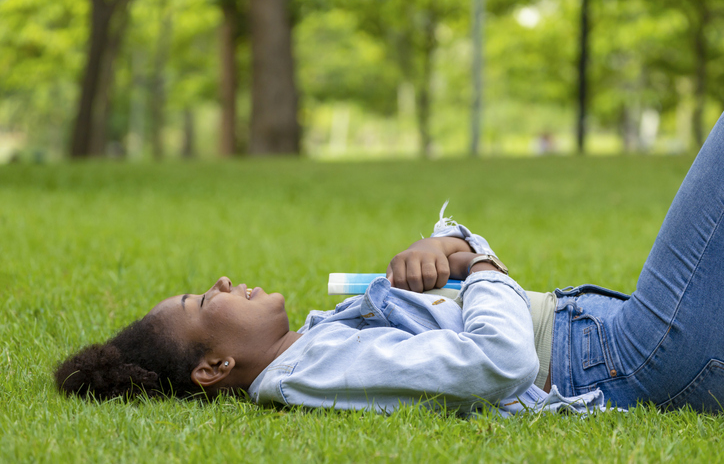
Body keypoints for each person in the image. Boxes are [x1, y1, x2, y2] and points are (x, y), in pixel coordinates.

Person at [56, 114, 724, 415]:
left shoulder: (318, 342)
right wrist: (480, 263)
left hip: (620, 340)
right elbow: (500, 362)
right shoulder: (319, 371)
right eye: (204, 301)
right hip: (629, 355)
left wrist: (452, 251)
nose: (222, 282)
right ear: (215, 367)